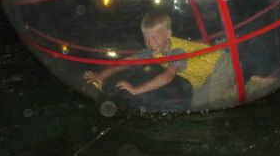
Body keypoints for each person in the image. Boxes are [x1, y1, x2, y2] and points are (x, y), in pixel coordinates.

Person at [83, 11, 223, 110]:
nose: (150, 43)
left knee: (214, 106)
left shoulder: (177, 51)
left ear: (168, 34)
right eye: (146, 39)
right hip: (204, 78)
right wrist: (101, 75)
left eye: (154, 37)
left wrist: (136, 90)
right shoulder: (153, 50)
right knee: (199, 107)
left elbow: (166, 77)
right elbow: (128, 62)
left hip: (220, 66)